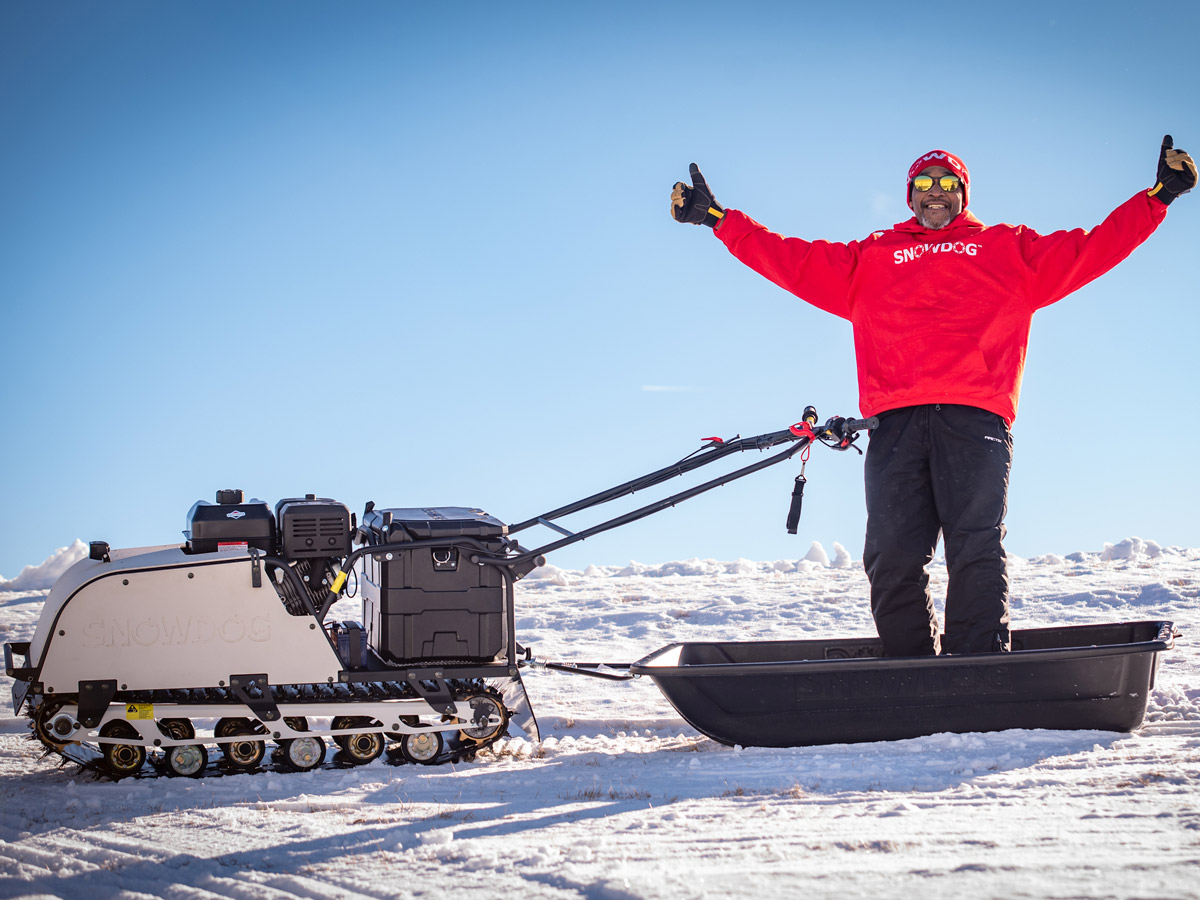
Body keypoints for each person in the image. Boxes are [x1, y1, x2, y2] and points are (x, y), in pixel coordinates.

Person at [670, 137, 1196, 657]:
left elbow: (1093, 246)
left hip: (975, 417)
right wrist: (719, 219)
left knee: (975, 546)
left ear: (963, 193)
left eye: (948, 182)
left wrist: (1158, 198)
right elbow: (792, 258)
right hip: (893, 422)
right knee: (890, 554)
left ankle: (979, 663)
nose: (935, 190)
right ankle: (909, 666)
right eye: (924, 182)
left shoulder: (1009, 249)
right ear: (911, 196)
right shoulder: (872, 257)